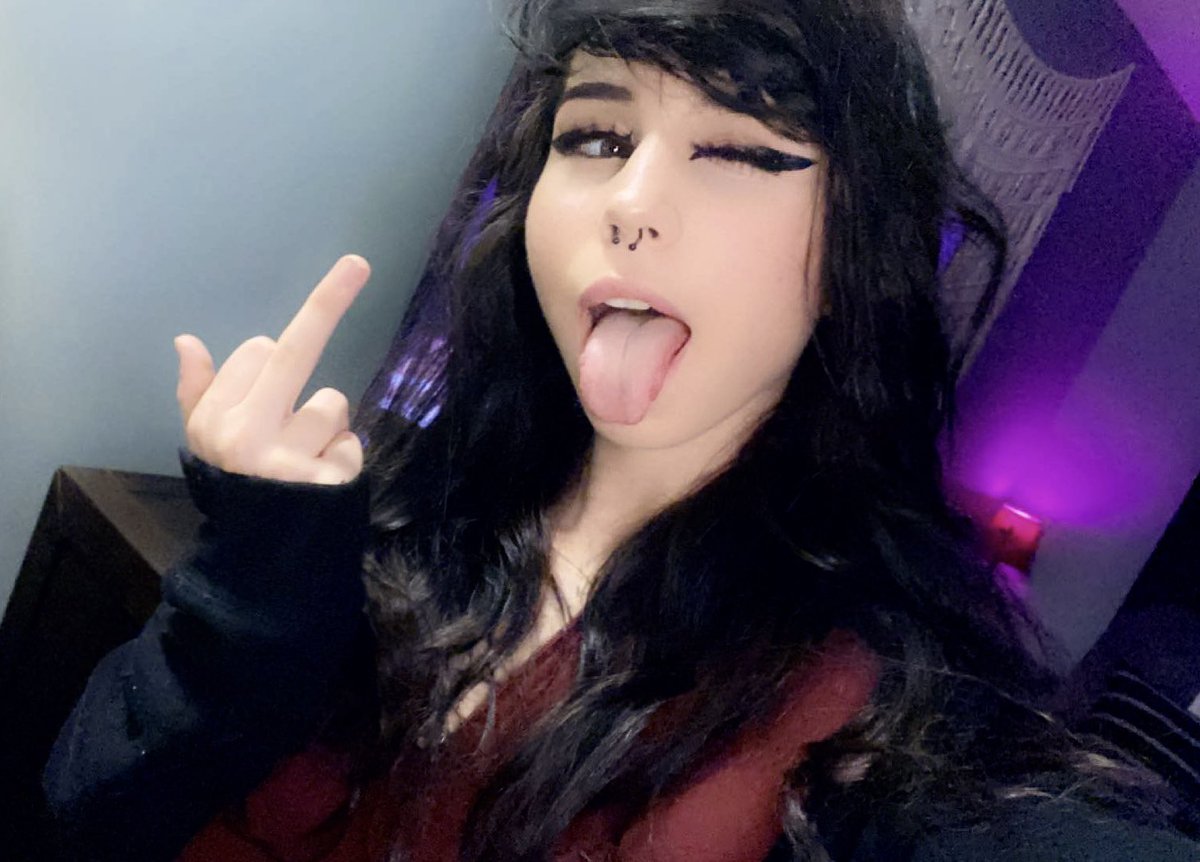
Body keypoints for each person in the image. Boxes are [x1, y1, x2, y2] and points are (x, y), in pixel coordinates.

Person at [42, 1, 1199, 860]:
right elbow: (81, 816)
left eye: (743, 150)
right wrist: (253, 585)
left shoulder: (863, 707)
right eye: (594, 138)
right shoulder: (410, 508)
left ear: (850, 258)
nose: (633, 202)